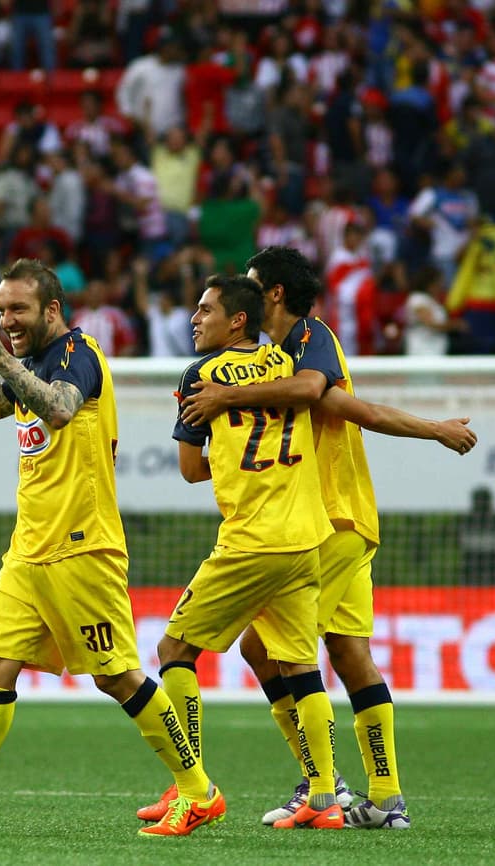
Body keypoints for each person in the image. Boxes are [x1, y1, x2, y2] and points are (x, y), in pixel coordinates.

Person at [0, 259, 212, 837]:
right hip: (30, 549)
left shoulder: (80, 353)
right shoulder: (30, 361)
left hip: (82, 546)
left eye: (18, 310)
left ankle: (198, 791)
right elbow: (1, 402)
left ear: (51, 310)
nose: (7, 320)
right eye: (2, 310)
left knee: (118, 677)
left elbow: (58, 409)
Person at [177, 246, 477, 831]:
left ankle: (323, 786)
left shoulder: (308, 340)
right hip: (342, 519)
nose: (243, 288)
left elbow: (324, 395)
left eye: (252, 282)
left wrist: (435, 430)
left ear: (275, 295)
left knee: (265, 649)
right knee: (347, 651)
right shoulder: (271, 358)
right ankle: (385, 800)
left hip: (329, 518)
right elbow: (345, 407)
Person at [159, 274, 340, 833]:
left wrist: (226, 444)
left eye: (205, 310)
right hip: (304, 539)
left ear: (237, 320)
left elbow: (191, 471)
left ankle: (192, 788)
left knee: (174, 652)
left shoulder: (201, 375)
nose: (195, 319)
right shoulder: (289, 367)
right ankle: (324, 796)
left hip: (249, 542)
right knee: (301, 668)